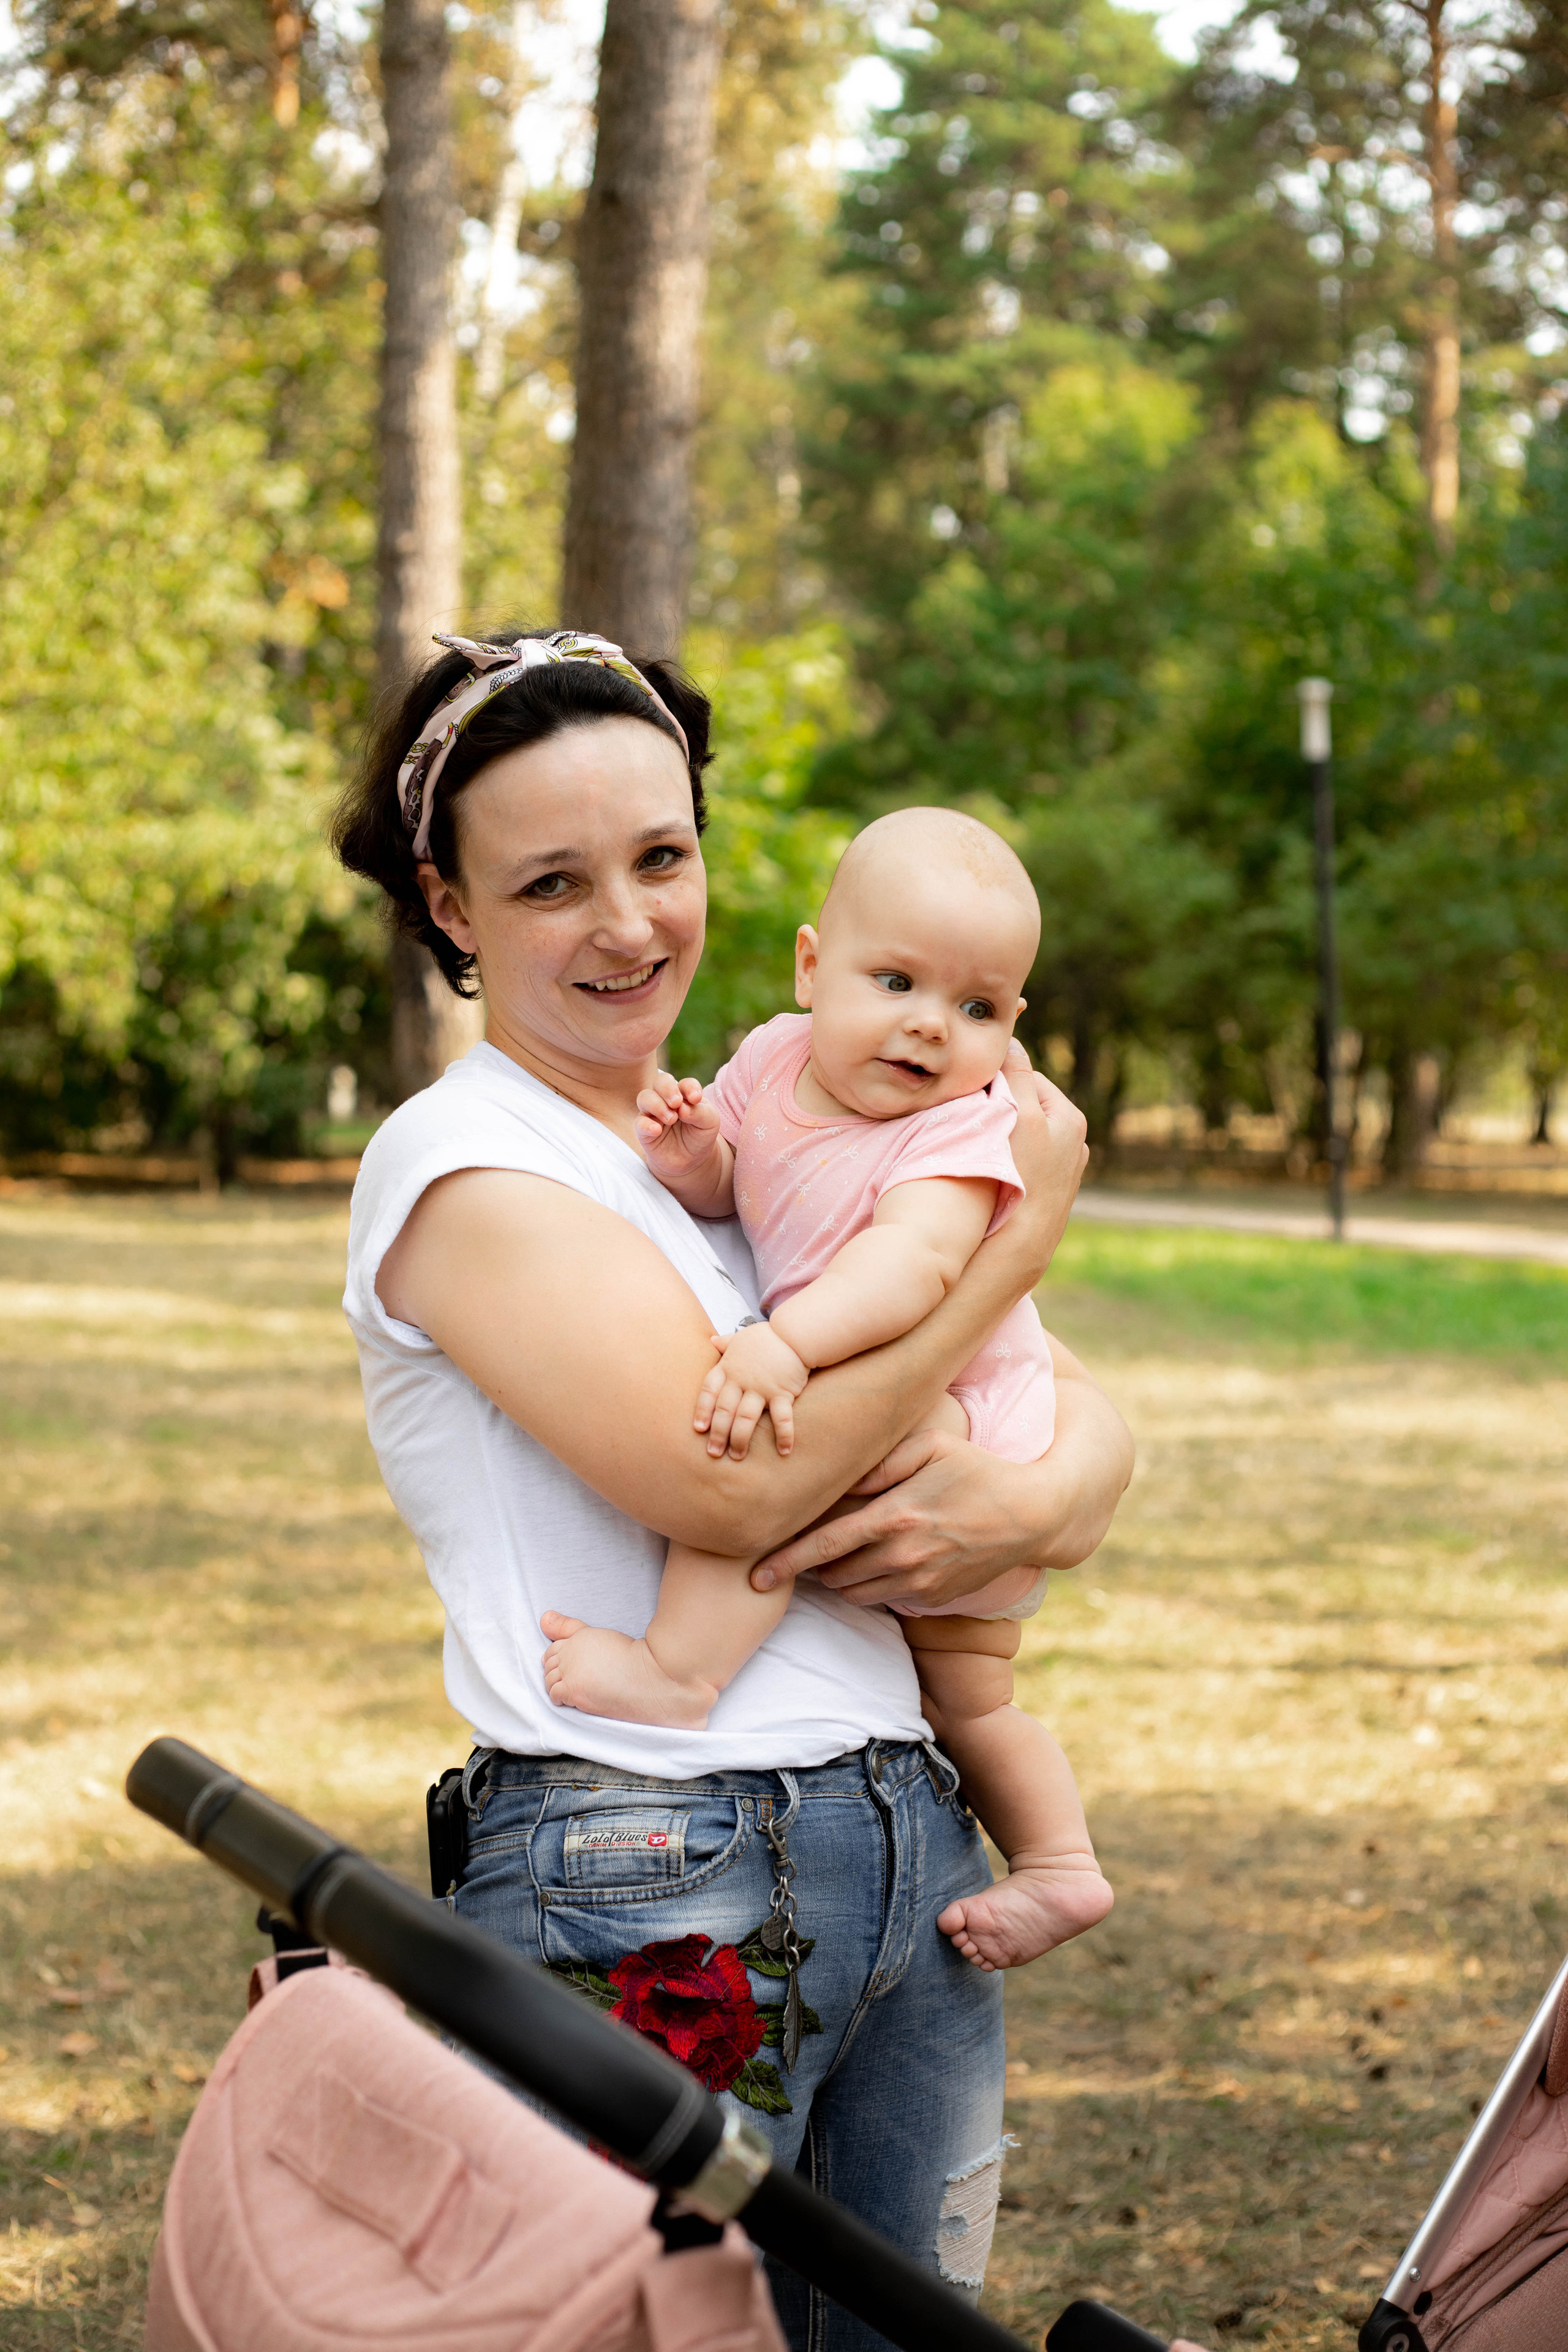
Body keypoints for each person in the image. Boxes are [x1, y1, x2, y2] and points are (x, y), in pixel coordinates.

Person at [334, 625, 1134, 2352]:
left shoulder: (755, 1139)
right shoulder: (463, 1165)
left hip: (910, 1843)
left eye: (661, 857)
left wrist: (1050, 1500)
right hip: (651, 1853)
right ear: (451, 907)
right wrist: (1010, 1251)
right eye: (551, 882)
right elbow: (737, 1498)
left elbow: (1064, 1421)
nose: (629, 924)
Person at [542, 807, 1113, 1977]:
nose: (930, 1026)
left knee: (784, 1466)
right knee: (965, 1698)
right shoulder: (770, 1060)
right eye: (895, 982)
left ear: (1012, 1027)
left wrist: (788, 1347)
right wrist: (697, 1158)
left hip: (958, 1414)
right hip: (910, 1395)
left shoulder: (959, 1133)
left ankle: (680, 1673)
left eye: (976, 1008)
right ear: (813, 969)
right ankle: (1059, 1864)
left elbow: (913, 1269)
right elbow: (740, 1185)